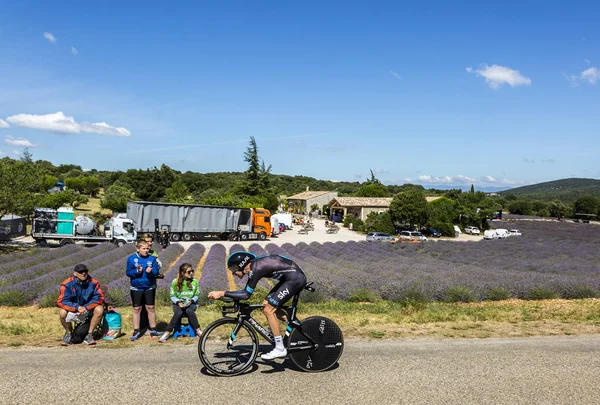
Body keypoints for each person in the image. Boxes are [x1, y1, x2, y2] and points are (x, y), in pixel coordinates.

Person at [208, 252, 306, 360]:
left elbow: (246, 295)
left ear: (242, 264)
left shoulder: (256, 268)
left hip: (294, 279)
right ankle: (294, 326)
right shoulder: (255, 265)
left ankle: (280, 348)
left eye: (234, 269)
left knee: (269, 310)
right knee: (265, 304)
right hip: (289, 278)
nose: (233, 273)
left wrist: (222, 293)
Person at [57, 264, 105, 346]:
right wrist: (77, 307)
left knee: (99, 309)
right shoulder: (67, 284)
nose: (84, 273)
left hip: (88, 309)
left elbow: (99, 298)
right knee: (62, 313)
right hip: (73, 309)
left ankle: (89, 335)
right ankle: (69, 334)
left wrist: (86, 308)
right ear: (75, 273)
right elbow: (62, 301)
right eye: (81, 272)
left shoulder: (93, 283)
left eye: (85, 271)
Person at [126, 240, 161, 341]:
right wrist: (137, 271)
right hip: (136, 287)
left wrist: (150, 272)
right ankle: (136, 330)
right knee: (137, 309)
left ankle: (153, 329)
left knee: (151, 307)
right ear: (138, 249)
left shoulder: (152, 259)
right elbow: (128, 272)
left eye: (147, 248)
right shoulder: (132, 259)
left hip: (149, 287)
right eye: (144, 248)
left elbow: (156, 271)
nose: (146, 250)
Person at [159, 263, 202, 342]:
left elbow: (196, 295)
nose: (191, 273)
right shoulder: (175, 282)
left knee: (189, 310)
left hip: (191, 304)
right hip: (178, 304)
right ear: (182, 273)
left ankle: (198, 330)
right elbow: (172, 296)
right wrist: (178, 302)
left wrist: (191, 301)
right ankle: (167, 332)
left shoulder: (195, 282)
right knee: (178, 312)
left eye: (192, 271)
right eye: (189, 272)